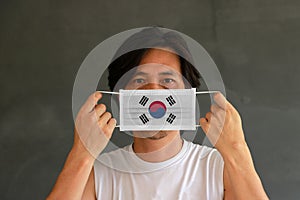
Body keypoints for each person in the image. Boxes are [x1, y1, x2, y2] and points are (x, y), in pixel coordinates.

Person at [47, 27, 269, 199]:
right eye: (140, 80)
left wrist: (237, 151)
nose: (154, 92)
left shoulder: (220, 167)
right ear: (119, 97)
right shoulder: (96, 173)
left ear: (188, 95)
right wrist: (81, 154)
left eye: (167, 81)